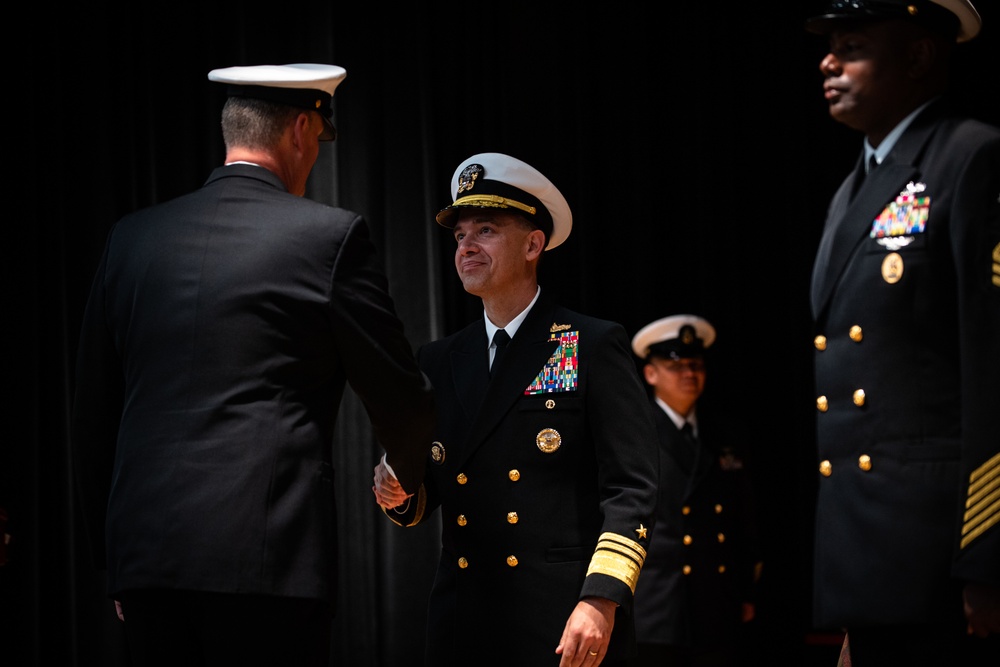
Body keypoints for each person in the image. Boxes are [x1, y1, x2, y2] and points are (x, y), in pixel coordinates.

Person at [70, 63, 436, 667]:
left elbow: (93, 414)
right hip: (270, 563)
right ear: (299, 130)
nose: (313, 156)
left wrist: (116, 562)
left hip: (147, 565)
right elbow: (400, 395)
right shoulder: (329, 239)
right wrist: (402, 470)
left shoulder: (130, 239)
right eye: (317, 141)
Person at [371, 152, 660, 666]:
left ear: (533, 244)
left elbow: (631, 486)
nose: (467, 246)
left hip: (563, 619)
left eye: (486, 229)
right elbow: (427, 493)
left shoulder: (586, 342)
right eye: (460, 235)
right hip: (464, 621)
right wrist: (397, 489)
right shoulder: (439, 359)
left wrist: (601, 598)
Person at [804, 0, 1000, 664]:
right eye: (829, 45)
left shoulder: (970, 156)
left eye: (852, 44)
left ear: (917, 55)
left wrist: (987, 555)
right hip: (868, 554)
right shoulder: (849, 190)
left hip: (939, 553)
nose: (828, 61)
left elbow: (992, 368)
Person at [628, 315, 762, 667]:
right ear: (650, 374)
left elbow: (743, 520)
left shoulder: (725, 434)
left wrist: (746, 589)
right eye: (676, 365)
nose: (689, 373)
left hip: (716, 601)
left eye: (696, 364)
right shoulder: (634, 435)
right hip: (655, 606)